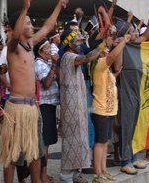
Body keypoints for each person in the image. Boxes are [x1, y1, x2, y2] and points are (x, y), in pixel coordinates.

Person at [0, 0, 69, 183]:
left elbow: (47, 26)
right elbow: (15, 36)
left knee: (35, 152)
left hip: (32, 108)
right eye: (28, 23)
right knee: (11, 155)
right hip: (16, 108)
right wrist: (25, 7)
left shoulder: (31, 44)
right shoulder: (12, 48)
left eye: (30, 22)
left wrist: (58, 5)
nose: (31, 25)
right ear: (18, 27)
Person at [59, 32, 101, 183]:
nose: (80, 42)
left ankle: (75, 174)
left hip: (77, 107)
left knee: (79, 140)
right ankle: (66, 176)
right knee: (72, 141)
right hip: (71, 109)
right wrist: (102, 46)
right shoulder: (68, 56)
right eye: (77, 40)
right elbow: (87, 58)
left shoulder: (71, 56)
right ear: (69, 44)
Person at [91, 34, 131, 183]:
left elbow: (117, 65)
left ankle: (104, 171)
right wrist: (123, 42)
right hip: (100, 110)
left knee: (105, 142)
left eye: (108, 49)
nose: (107, 51)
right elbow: (111, 58)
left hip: (108, 111)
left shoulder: (107, 70)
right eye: (105, 49)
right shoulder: (99, 63)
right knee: (100, 143)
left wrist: (120, 46)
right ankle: (97, 174)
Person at [34, 39, 60, 183]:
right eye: (48, 47)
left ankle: (43, 173)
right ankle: (40, 176)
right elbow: (47, 83)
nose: (51, 50)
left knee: (47, 142)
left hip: (49, 105)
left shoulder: (46, 63)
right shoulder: (38, 63)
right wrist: (55, 65)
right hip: (43, 106)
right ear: (41, 50)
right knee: (44, 143)